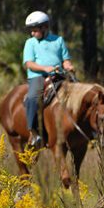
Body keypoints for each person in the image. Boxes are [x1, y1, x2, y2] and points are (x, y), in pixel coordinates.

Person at [22, 11, 74, 149]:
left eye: (35, 30)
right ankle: (33, 132)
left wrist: (68, 66)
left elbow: (66, 60)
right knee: (32, 98)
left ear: (44, 27)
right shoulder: (30, 43)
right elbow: (29, 64)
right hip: (38, 76)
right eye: (31, 31)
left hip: (59, 75)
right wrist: (45, 68)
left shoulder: (58, 40)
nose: (32, 33)